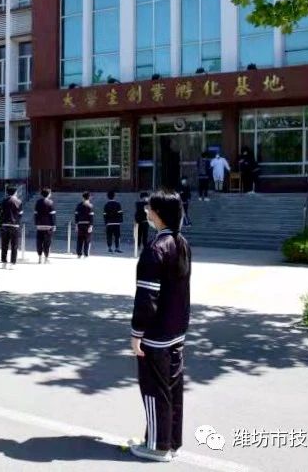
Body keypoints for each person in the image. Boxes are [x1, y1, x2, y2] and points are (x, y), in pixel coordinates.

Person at [129, 190, 191, 463]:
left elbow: (147, 298)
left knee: (154, 390)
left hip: (157, 333)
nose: (146, 212)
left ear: (158, 214)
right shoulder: (182, 243)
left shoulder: (156, 249)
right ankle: (171, 440)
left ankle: (156, 446)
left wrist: (136, 333)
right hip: (177, 330)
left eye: (149, 208)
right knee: (173, 388)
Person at [0, 185, 23, 269]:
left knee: (4, 244)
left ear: (7, 192)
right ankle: (12, 263)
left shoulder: (3, 201)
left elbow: (0, 214)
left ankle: (4, 262)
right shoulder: (19, 202)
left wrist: (1, 223)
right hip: (14, 225)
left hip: (5, 225)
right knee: (14, 245)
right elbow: (20, 214)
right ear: (15, 192)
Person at [34, 188, 56, 264]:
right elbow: (53, 215)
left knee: (39, 241)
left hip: (39, 225)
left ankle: (39, 258)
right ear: (49, 194)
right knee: (47, 242)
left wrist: (36, 223)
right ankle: (46, 258)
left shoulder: (38, 202)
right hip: (48, 226)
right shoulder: (50, 202)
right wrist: (54, 225)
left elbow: (35, 214)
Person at [74, 192, 94, 258]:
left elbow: (76, 216)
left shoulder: (78, 205)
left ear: (82, 197)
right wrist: (91, 226)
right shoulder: (90, 206)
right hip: (87, 225)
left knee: (79, 240)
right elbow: (91, 217)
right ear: (89, 197)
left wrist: (76, 225)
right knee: (87, 240)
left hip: (80, 224)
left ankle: (79, 254)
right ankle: (86, 254)